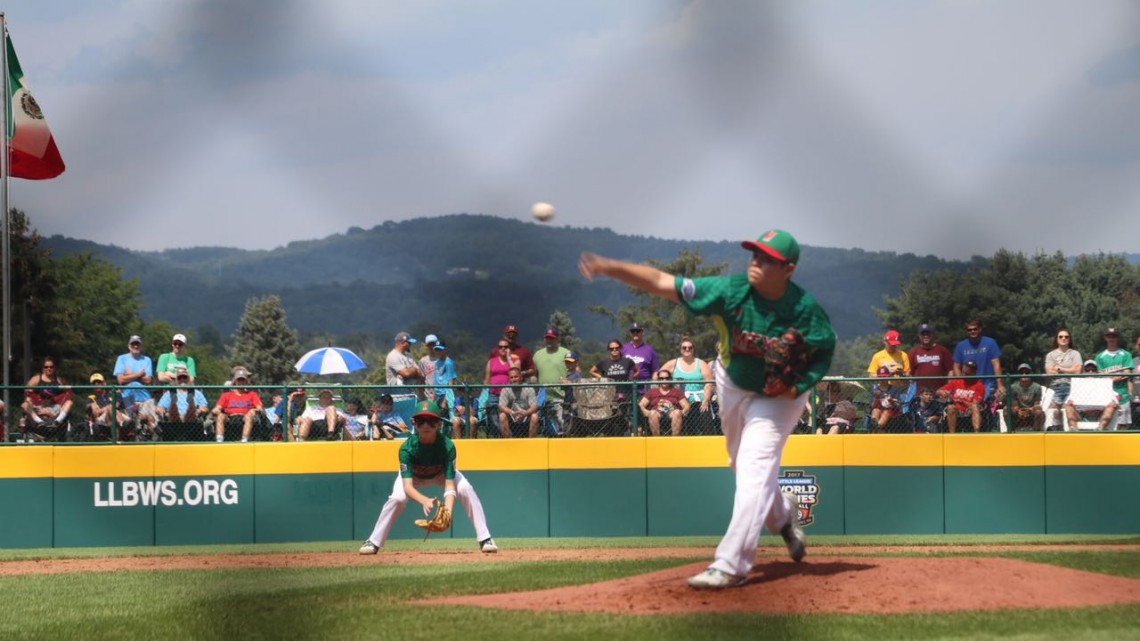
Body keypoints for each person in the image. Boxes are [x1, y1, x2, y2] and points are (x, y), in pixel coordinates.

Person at [579, 227, 834, 590]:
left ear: (789, 269)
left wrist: (797, 383)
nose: (756, 262)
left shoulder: (805, 311)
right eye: (755, 254)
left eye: (768, 259)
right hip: (732, 381)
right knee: (740, 465)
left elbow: (823, 352)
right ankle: (782, 515)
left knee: (753, 464)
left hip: (780, 397)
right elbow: (664, 283)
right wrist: (610, 266)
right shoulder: (730, 291)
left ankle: (732, 564)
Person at [359, 400, 497, 555]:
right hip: (414, 478)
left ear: (438, 424)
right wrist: (423, 500)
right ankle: (374, 541)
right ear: (414, 424)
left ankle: (485, 538)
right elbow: (408, 487)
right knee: (397, 499)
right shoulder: (406, 448)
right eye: (421, 421)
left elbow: (450, 486)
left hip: (440, 474)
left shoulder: (447, 446)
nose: (425, 425)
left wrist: (448, 512)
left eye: (430, 421)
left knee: (465, 489)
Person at [661, 336, 715, 430]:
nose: (687, 349)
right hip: (678, 401)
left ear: (693, 349)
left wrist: (706, 400)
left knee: (705, 414)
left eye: (690, 347)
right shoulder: (672, 363)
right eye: (684, 347)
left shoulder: (701, 363)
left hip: (699, 400)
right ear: (680, 350)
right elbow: (658, 377)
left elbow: (709, 383)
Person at [114, 335, 157, 438]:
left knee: (150, 420)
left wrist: (129, 375)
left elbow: (148, 380)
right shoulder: (122, 359)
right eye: (133, 344)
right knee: (128, 423)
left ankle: (154, 440)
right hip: (127, 398)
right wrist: (138, 374)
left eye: (137, 344)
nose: (136, 346)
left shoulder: (146, 360)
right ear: (129, 346)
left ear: (141, 346)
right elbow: (120, 380)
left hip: (145, 398)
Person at [22, 356, 74, 441]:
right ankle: (39, 422)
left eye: (51, 367)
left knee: (69, 403)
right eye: (46, 367)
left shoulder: (60, 381)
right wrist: (35, 405)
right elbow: (27, 394)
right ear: (42, 368)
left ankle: (57, 422)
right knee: (25, 405)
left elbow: (69, 393)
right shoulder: (35, 380)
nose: (48, 369)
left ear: (55, 368)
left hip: (55, 409)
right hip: (39, 408)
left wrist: (52, 411)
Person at [952, 320, 1005, 403]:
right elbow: (956, 366)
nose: (973, 331)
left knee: (981, 403)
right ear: (966, 332)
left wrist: (1000, 384)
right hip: (968, 385)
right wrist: (960, 382)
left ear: (980, 329)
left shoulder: (990, 343)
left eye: (975, 329)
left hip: (987, 383)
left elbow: (996, 364)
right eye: (970, 330)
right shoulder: (961, 346)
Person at [532, 328, 571, 434]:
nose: (549, 341)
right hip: (542, 398)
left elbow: (575, 370)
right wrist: (533, 381)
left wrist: (569, 380)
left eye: (552, 338)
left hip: (560, 397)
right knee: (544, 426)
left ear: (557, 339)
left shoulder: (566, 353)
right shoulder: (537, 355)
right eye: (547, 338)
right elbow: (535, 374)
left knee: (562, 427)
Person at [155, 366, 210, 440]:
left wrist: (200, 410)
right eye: (180, 378)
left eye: (184, 377)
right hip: (173, 420)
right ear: (176, 380)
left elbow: (205, 408)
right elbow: (159, 408)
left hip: (192, 420)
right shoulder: (169, 393)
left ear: (188, 379)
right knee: (172, 413)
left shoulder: (197, 393)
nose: (182, 380)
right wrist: (161, 411)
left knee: (191, 413)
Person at [1064, 360, 1122, 430]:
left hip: (1100, 414)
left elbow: (1116, 401)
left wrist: (1113, 403)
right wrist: (1070, 402)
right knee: (1068, 406)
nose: (1090, 372)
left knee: (1111, 406)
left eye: (1093, 369)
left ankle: (1100, 428)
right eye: (1087, 370)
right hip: (1081, 415)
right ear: (1083, 372)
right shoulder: (1077, 385)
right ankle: (1073, 429)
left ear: (1097, 371)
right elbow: (1066, 403)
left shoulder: (1104, 384)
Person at [211, 366, 263, 442]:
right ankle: (219, 440)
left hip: (244, 417)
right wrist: (216, 410)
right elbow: (218, 407)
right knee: (221, 416)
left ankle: (244, 440)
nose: (241, 382)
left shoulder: (252, 394)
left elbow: (260, 408)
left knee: (249, 416)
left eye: (243, 380)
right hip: (230, 417)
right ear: (235, 381)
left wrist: (253, 410)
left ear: (246, 382)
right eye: (239, 380)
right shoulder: (227, 395)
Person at [1044, 328, 1082, 428]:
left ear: (1069, 339)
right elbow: (1049, 372)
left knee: (1069, 408)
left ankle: (1074, 432)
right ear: (1056, 339)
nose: (1063, 338)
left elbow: (1078, 371)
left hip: (1072, 386)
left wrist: (1059, 368)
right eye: (1061, 336)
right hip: (1055, 387)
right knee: (1052, 411)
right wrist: (1070, 369)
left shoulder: (1075, 354)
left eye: (1066, 337)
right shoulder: (1050, 355)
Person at [937, 360, 986, 433]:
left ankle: (976, 433)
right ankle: (952, 434)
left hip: (968, 410)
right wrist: (942, 392)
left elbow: (974, 404)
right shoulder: (956, 382)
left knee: (975, 407)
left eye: (967, 373)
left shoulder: (979, 385)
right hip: (957, 409)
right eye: (963, 372)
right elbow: (937, 391)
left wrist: (962, 401)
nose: (964, 374)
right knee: (950, 407)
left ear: (973, 373)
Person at [483, 338, 520, 433]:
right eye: (500, 347)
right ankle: (505, 435)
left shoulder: (515, 360)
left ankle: (509, 436)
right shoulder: (491, 362)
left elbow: (516, 373)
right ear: (497, 349)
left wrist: (509, 358)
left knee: (507, 416)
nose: (503, 349)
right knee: (494, 417)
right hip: (494, 394)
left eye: (505, 347)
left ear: (509, 348)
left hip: (509, 395)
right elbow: (487, 380)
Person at [638, 369, 690, 436]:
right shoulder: (652, 392)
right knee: (652, 413)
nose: (664, 380)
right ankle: (658, 440)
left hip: (672, 413)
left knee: (677, 412)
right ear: (658, 380)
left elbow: (686, 406)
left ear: (670, 379)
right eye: (661, 378)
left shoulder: (676, 391)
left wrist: (681, 413)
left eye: (667, 378)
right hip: (657, 413)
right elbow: (641, 404)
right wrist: (646, 412)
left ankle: (675, 440)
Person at [908, 324, 953, 391]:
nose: (926, 336)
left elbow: (950, 371)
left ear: (932, 335)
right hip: (921, 393)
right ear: (919, 336)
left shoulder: (942, 350)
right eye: (923, 334)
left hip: (940, 391)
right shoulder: (914, 352)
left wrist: (949, 388)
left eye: (928, 334)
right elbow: (910, 373)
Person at [1094, 327, 1133, 404]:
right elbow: (1100, 376)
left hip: (1122, 392)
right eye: (1109, 336)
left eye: (1114, 336)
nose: (1111, 339)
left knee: (1123, 415)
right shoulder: (1100, 357)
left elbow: (1127, 373)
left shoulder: (1126, 355)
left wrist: (1110, 379)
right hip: (1105, 392)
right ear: (1105, 338)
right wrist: (1116, 377)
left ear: (1118, 338)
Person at [498, 366, 539, 438]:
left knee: (535, 416)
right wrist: (512, 413)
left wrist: (525, 413)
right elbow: (501, 406)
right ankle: (507, 443)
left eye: (516, 377)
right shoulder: (505, 389)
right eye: (511, 377)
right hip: (511, 416)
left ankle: (532, 443)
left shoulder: (529, 388)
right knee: (502, 416)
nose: (514, 379)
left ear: (521, 377)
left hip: (526, 416)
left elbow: (534, 406)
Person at [87, 372, 128, 440]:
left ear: (104, 383)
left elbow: (117, 404)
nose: (97, 384)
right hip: (102, 419)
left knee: (112, 411)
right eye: (94, 383)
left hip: (118, 414)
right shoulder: (91, 398)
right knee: (110, 409)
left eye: (99, 382)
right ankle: (122, 425)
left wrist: (103, 409)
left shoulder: (113, 393)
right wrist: (107, 408)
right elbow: (95, 412)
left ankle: (120, 428)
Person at [1008, 363, 1044, 431]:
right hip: (1018, 411)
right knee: (1006, 410)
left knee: (1038, 411)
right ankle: (1011, 431)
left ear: (1031, 373)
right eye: (1021, 373)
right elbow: (1014, 405)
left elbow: (1036, 404)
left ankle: (1036, 431)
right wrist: (1019, 410)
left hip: (1032, 410)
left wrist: (1029, 410)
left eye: (1027, 373)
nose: (1024, 375)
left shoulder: (1037, 387)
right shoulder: (1013, 387)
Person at [869, 365, 905, 432]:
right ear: (878, 377)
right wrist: (877, 398)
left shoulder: (894, 389)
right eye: (881, 377)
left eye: (885, 376)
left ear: (888, 377)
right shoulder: (875, 390)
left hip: (891, 411)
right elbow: (872, 406)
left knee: (886, 412)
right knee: (875, 410)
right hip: (879, 410)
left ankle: (877, 428)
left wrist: (892, 401)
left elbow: (898, 405)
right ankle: (877, 427)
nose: (883, 379)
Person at [419, 334, 439, 402]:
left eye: (433, 344)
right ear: (426, 346)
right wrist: (421, 397)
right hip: (428, 397)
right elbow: (421, 380)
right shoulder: (423, 361)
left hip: (441, 396)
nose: (431, 347)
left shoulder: (443, 360)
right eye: (429, 345)